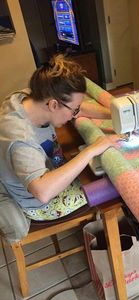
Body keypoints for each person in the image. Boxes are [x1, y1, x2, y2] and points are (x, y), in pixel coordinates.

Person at [0, 54, 119, 227]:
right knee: (119, 185)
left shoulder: (28, 97)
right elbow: (43, 192)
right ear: (54, 105)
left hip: (49, 170)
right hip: (40, 204)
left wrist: (117, 114)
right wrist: (91, 150)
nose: (75, 114)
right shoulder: (21, 138)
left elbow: (79, 108)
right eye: (73, 110)